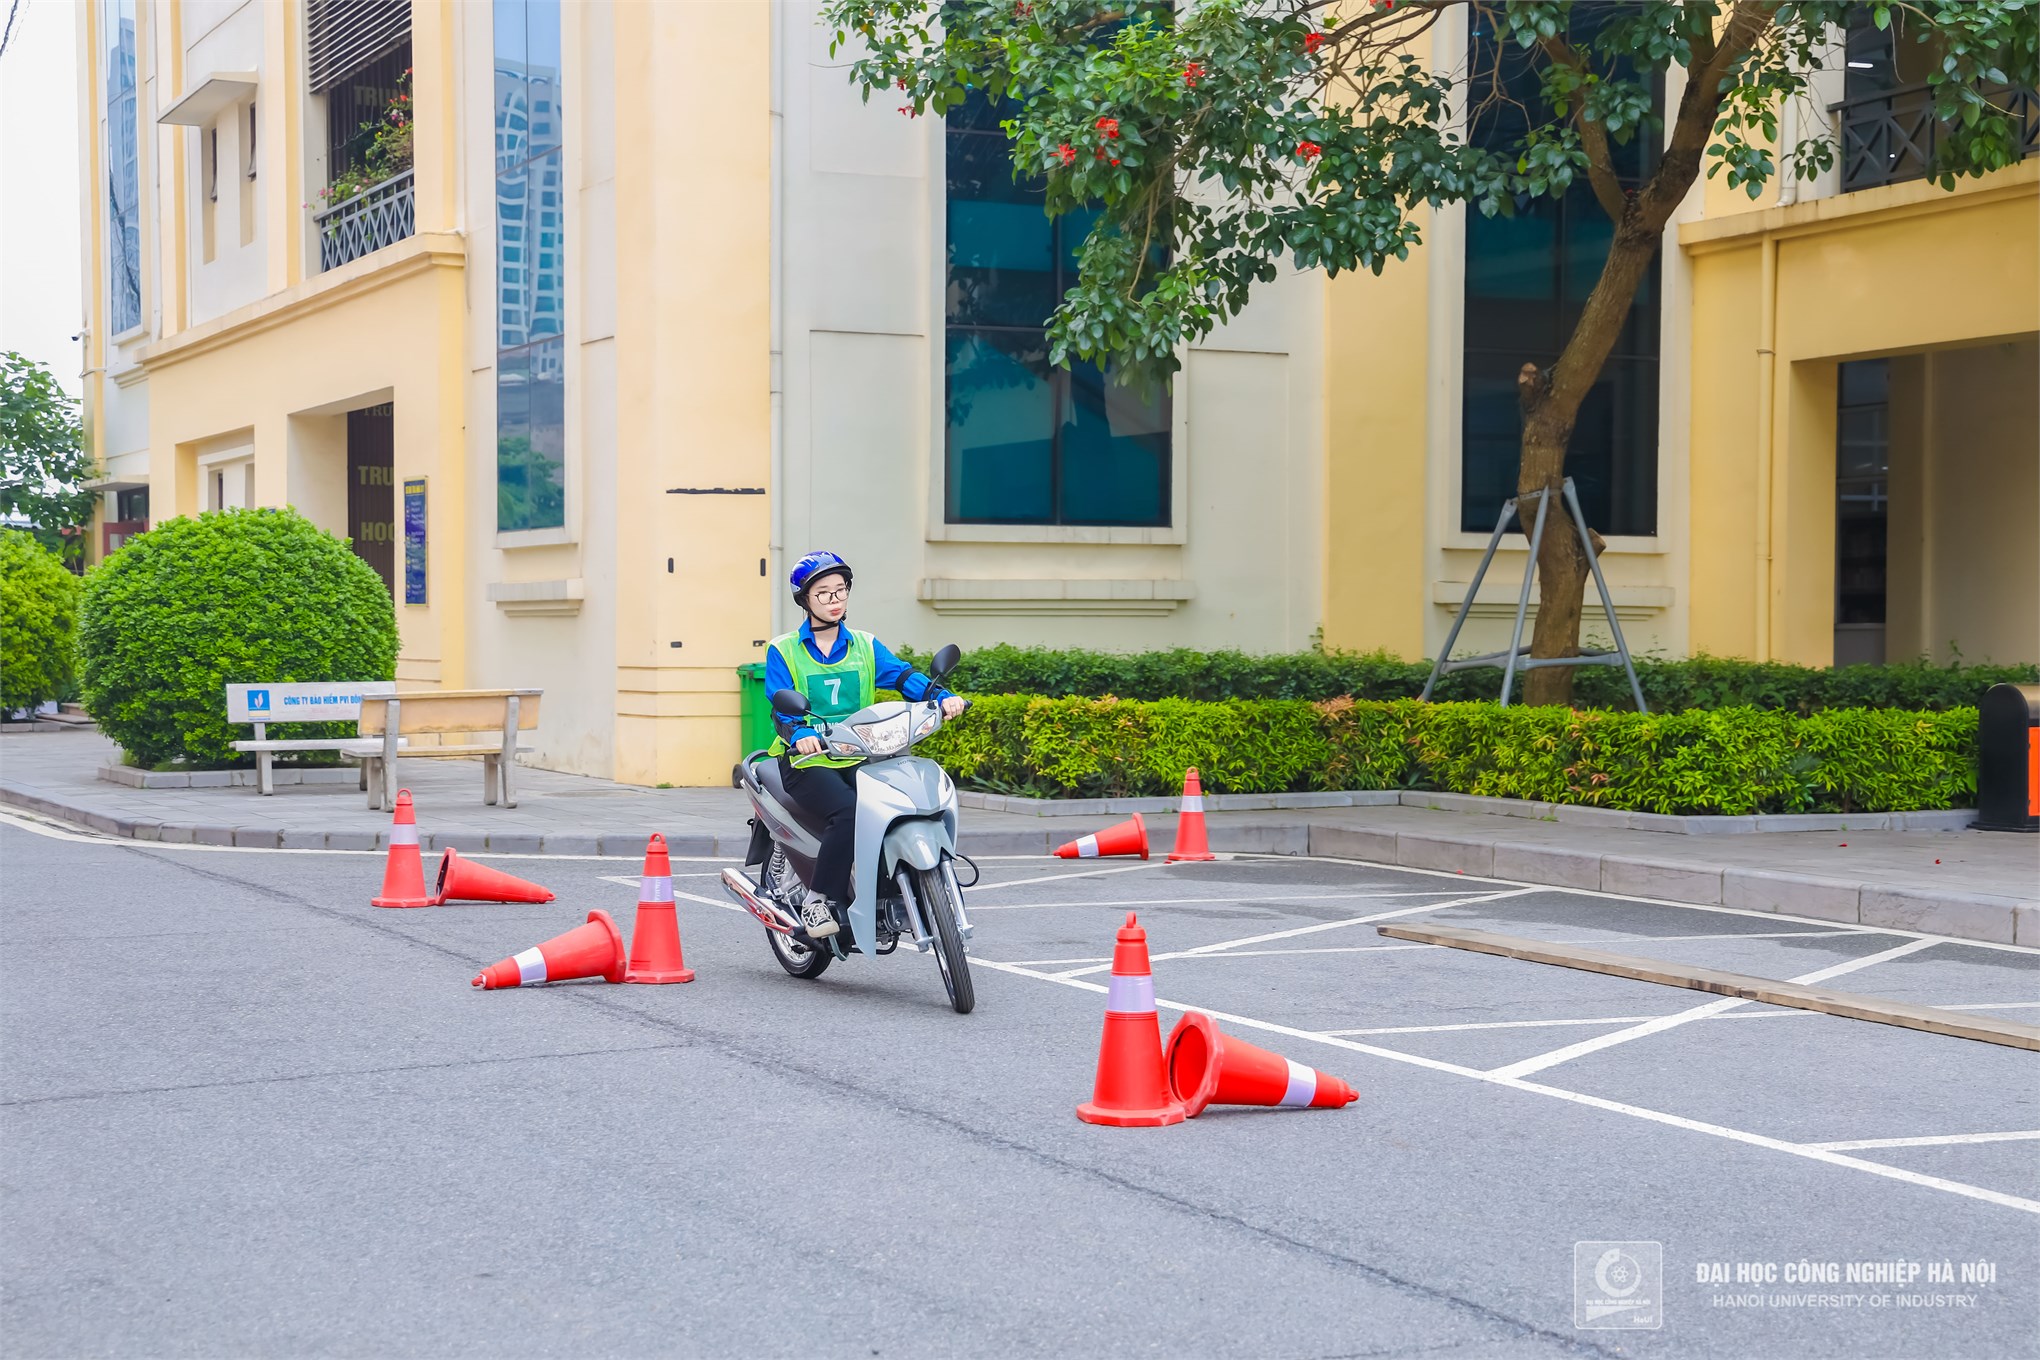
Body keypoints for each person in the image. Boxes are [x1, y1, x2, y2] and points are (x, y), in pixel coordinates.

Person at [763, 550, 966, 941]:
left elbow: (904, 677)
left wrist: (941, 697)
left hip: (862, 753)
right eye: (824, 593)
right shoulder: (784, 649)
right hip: (809, 760)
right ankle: (818, 900)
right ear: (805, 599)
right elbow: (781, 706)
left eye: (841, 590)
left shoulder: (864, 645)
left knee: (902, 800)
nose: (835, 600)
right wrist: (800, 734)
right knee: (849, 813)